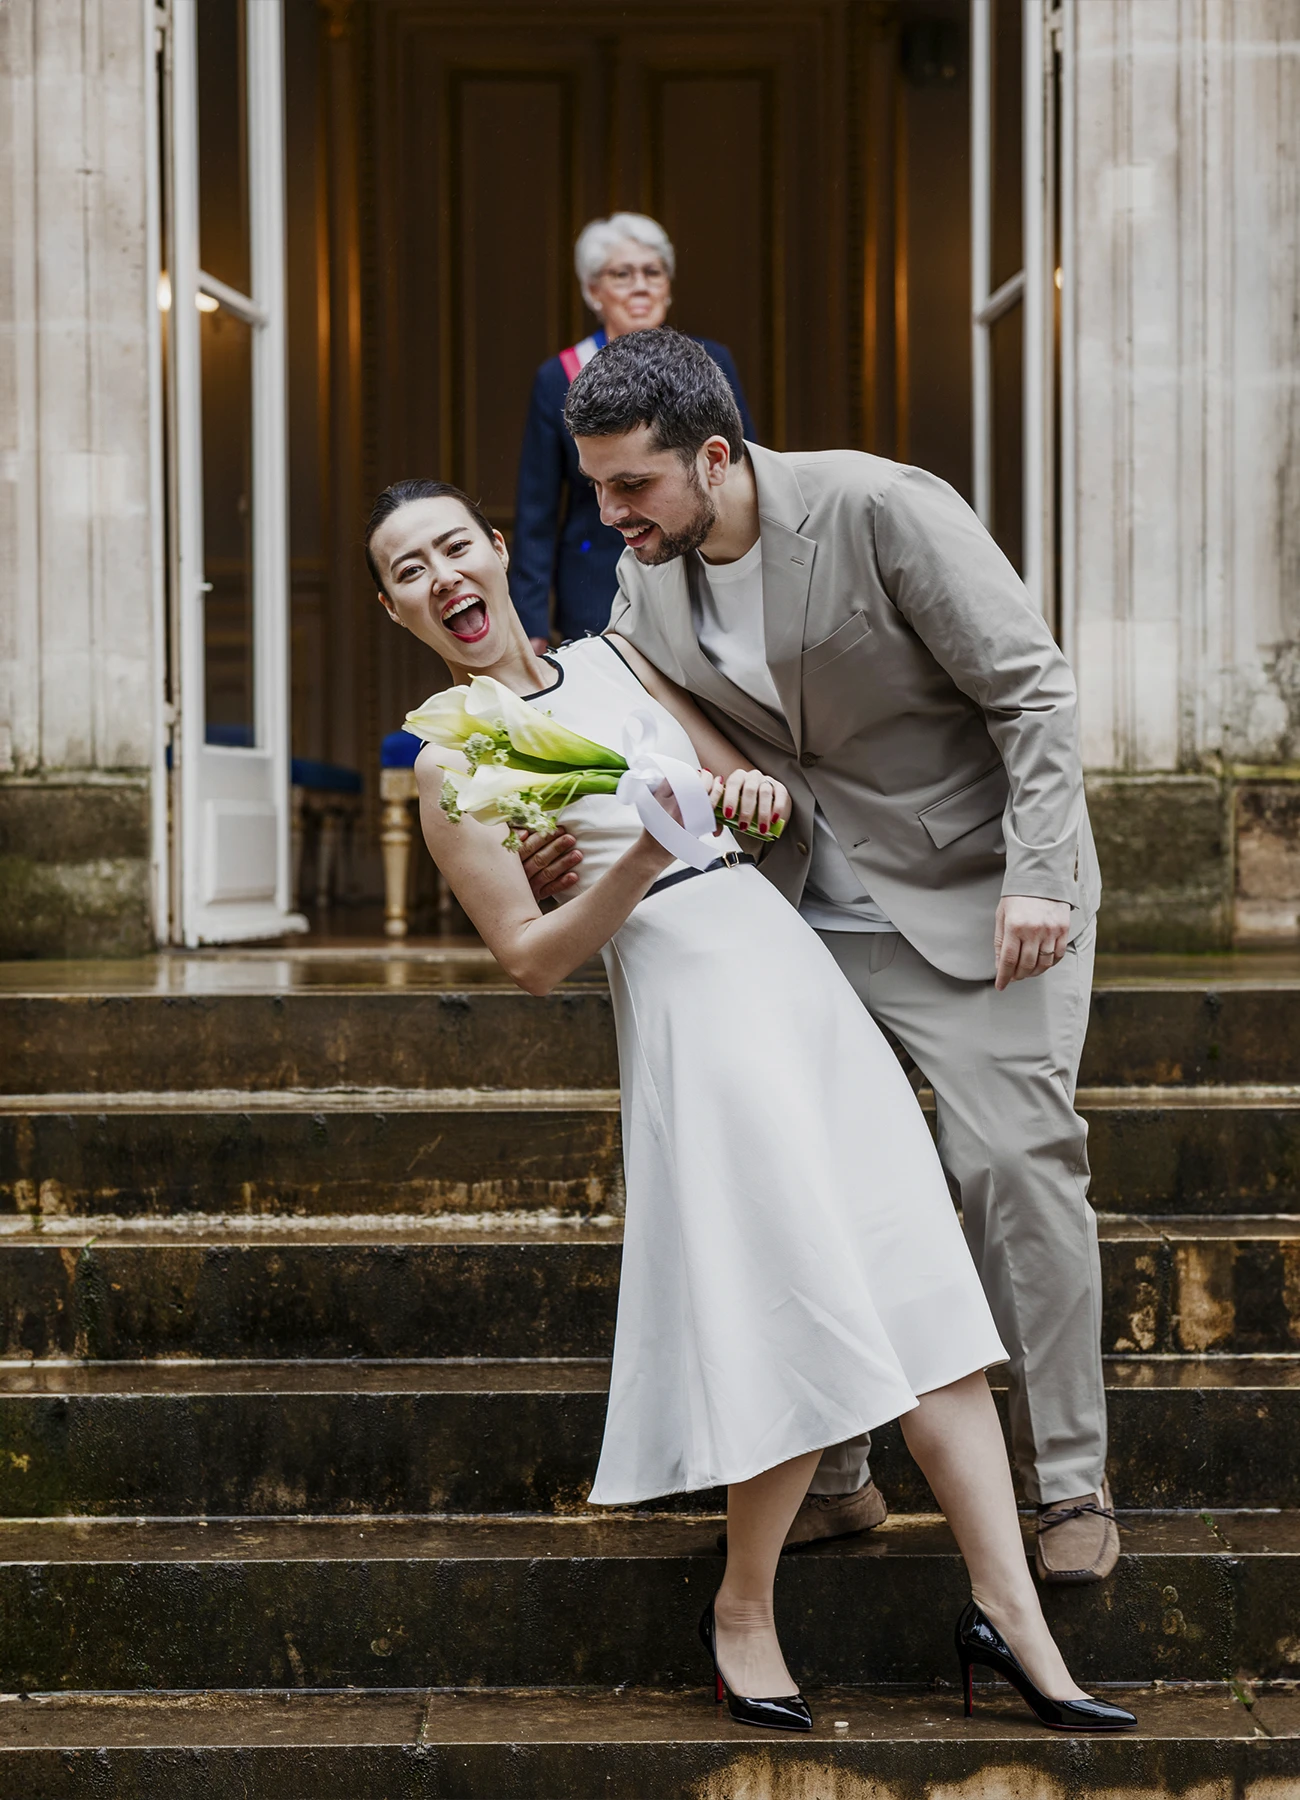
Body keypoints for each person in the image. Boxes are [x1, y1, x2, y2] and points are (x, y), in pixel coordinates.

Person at [365, 475, 1135, 1735]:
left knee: (922, 1289)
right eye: (409, 568)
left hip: (790, 977)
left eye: (456, 545)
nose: (442, 574)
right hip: (690, 1008)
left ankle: (1016, 1622)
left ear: (498, 553)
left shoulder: (620, 655)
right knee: (796, 1300)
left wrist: (742, 804)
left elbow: (747, 787)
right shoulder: (452, 761)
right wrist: (637, 860)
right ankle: (741, 1610)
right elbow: (533, 957)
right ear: (395, 606)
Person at [520, 326, 1119, 1589]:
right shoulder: (644, 584)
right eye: (596, 490)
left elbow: (1033, 694)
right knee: (804, 1183)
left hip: (980, 897)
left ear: (717, 454)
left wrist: (1041, 880)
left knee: (1009, 1164)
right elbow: (643, 736)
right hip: (798, 918)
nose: (611, 515)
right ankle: (837, 1481)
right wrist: (557, 843)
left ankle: (1067, 1482)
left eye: (634, 485)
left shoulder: (881, 507)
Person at [510, 213, 754, 653]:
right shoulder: (558, 376)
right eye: (622, 274)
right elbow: (536, 515)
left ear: (668, 285)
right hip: (598, 583)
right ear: (593, 291)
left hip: (703, 569)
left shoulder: (712, 361)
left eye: (652, 271)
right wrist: (531, 624)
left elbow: (745, 469)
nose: (640, 285)